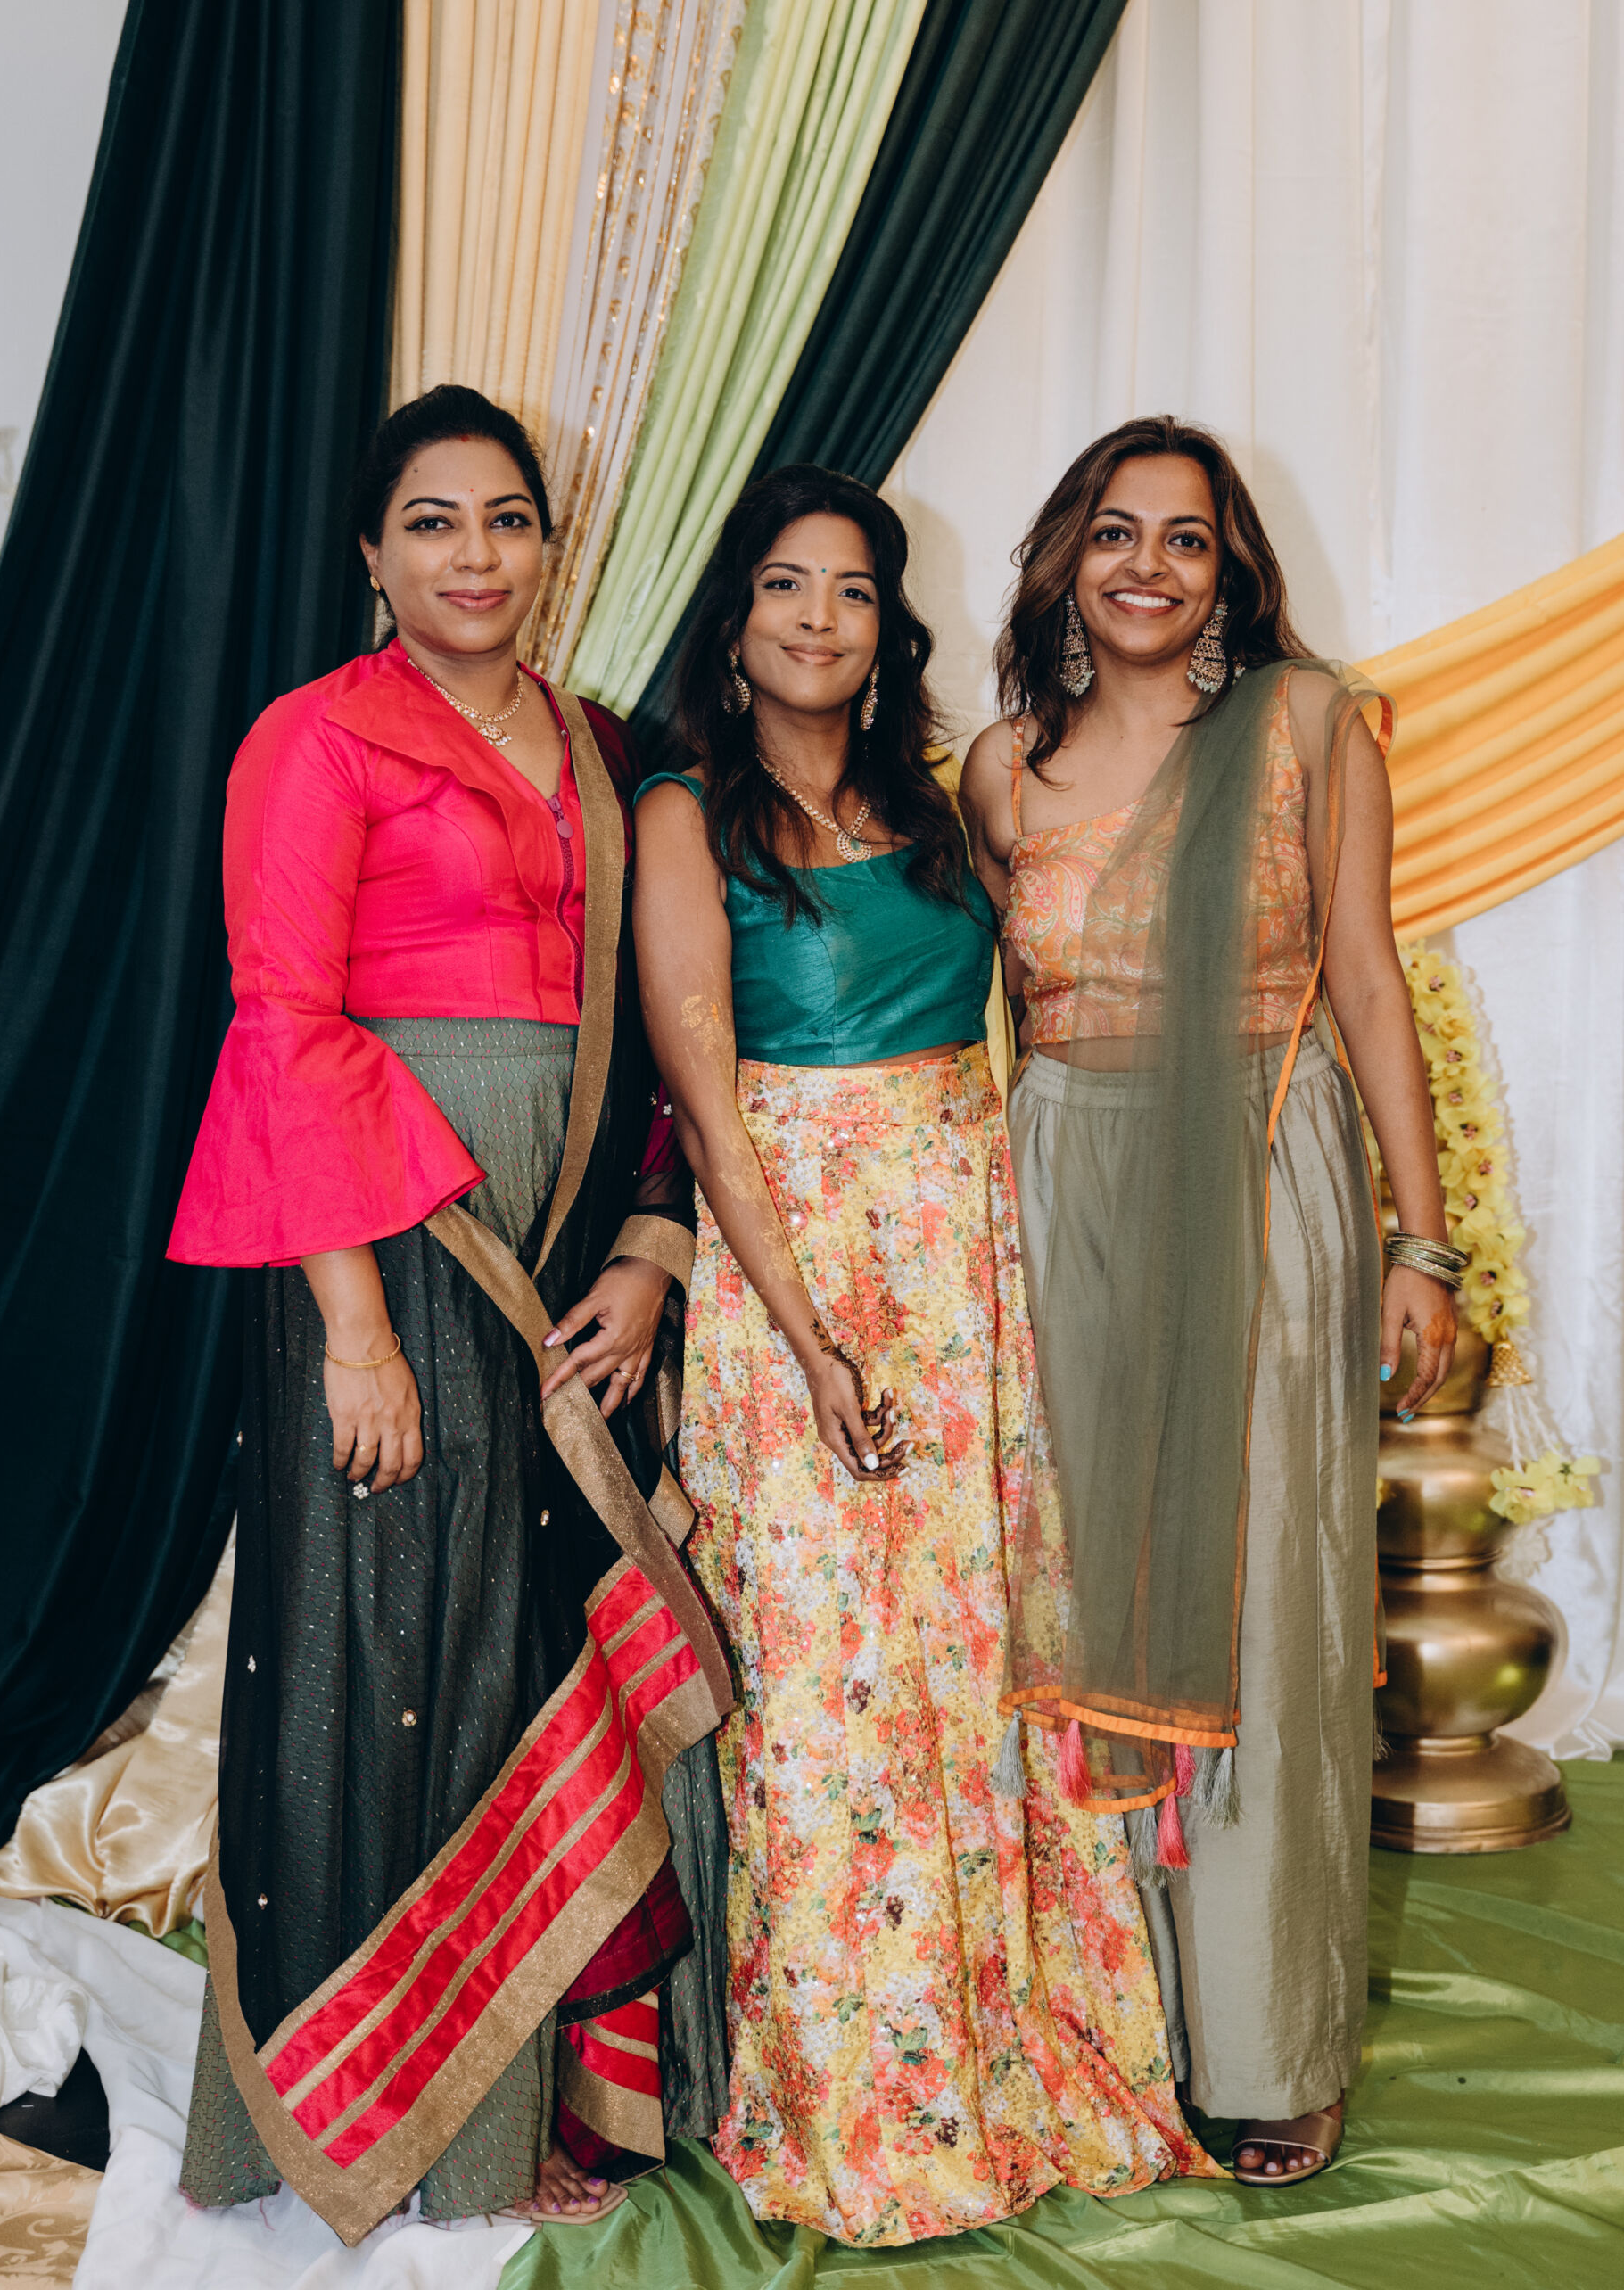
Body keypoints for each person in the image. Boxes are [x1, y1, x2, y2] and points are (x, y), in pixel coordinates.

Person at [166, 384, 730, 2243]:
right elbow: (285, 1023)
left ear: (551, 543)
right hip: (391, 1239)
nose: (474, 556)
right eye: (432, 521)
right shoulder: (315, 738)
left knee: (526, 1648)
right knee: (384, 1637)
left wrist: (647, 1245)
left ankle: (537, 2108)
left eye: (507, 518)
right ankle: (371, 2114)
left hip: (567, 1233)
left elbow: (658, 1025)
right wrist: (356, 1330)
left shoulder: (602, 749)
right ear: (371, 553)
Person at [632, 465, 1211, 2246]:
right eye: (785, 586)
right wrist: (811, 1342)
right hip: (796, 1283)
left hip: (970, 1272)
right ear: (735, 619)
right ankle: (866, 2099)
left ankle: (1017, 2056)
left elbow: (1056, 987)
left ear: (891, 626)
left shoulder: (937, 797)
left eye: (854, 590)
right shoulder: (681, 813)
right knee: (831, 1692)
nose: (819, 618)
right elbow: (706, 1103)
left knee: (977, 1665)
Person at [960, 417, 1461, 2188]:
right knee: (1085, 1601)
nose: (1149, 566)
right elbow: (982, 1010)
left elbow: (1370, 980)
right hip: (1065, 1193)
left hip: (1263, 1163)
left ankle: (1271, 2043)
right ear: (1066, 558)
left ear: (1232, 568)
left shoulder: (1310, 724)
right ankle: (1120, 2029)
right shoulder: (996, 770)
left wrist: (1421, 1245)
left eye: (1187, 537)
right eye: (1117, 532)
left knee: (1271, 1607)